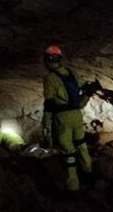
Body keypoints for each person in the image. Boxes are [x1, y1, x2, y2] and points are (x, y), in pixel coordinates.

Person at [40, 45, 93, 192]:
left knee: (68, 150)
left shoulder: (50, 78)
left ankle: (73, 186)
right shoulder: (70, 73)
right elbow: (83, 94)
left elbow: (49, 104)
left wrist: (45, 128)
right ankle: (88, 174)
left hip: (62, 117)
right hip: (77, 114)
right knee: (81, 144)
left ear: (47, 61)